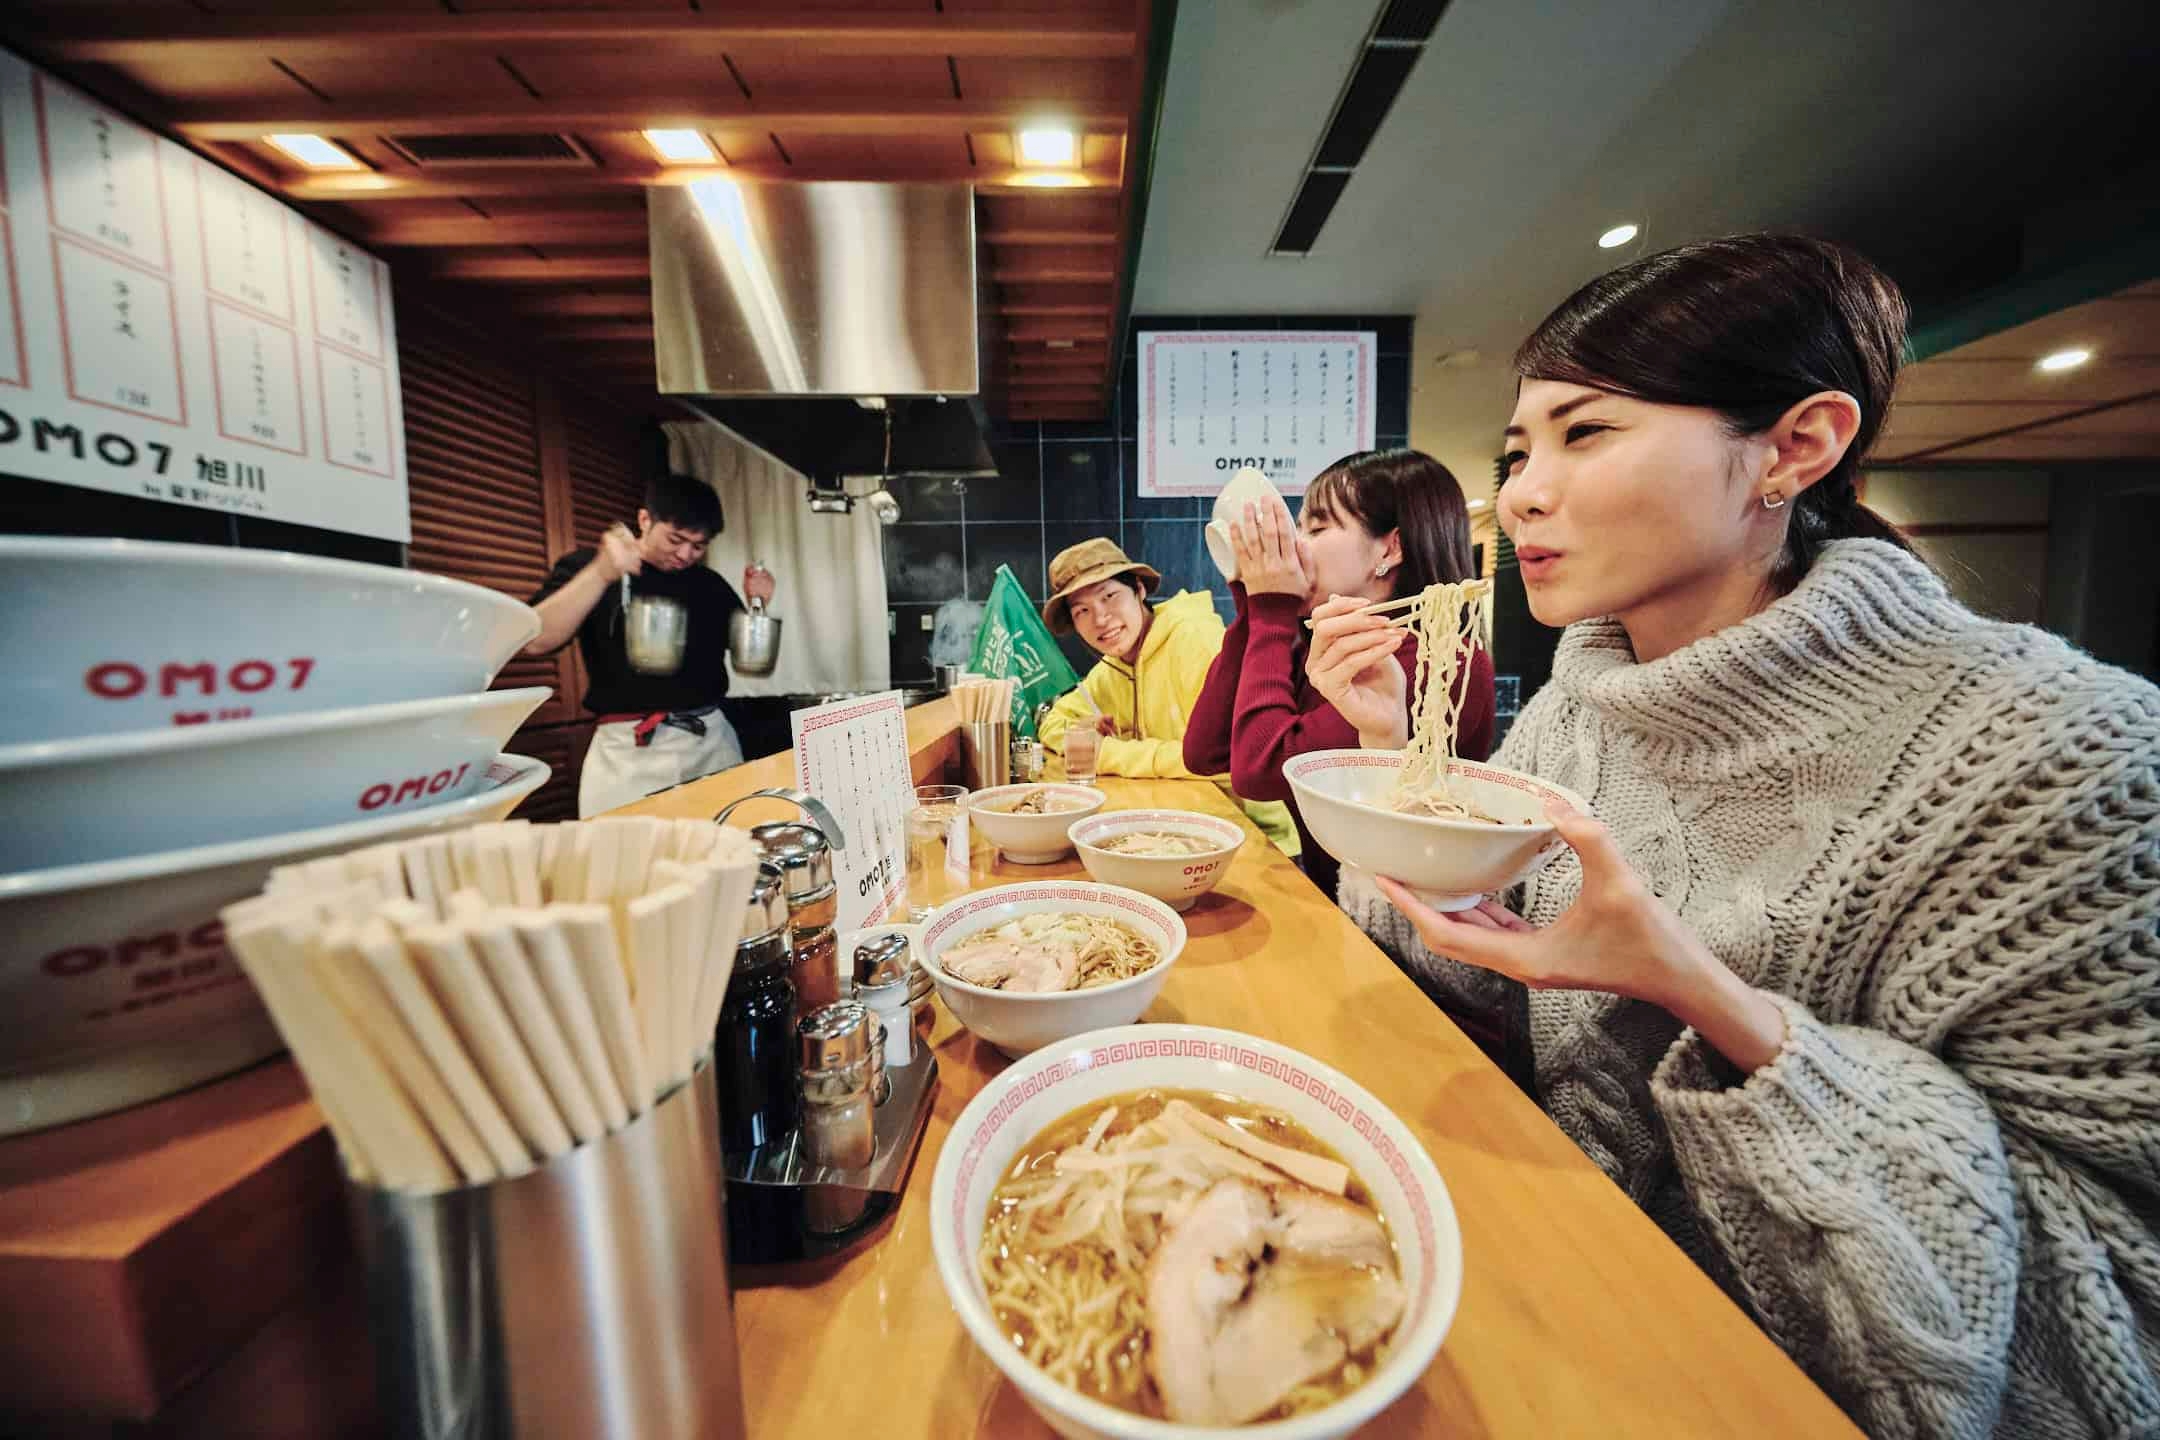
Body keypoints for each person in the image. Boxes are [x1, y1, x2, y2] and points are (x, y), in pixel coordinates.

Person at [1315, 234, 2160, 1438]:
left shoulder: (2066, 753)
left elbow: (2116, 1335)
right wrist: (1393, 765)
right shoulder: (1579, 704)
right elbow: (1482, 971)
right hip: (1548, 1301)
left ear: (1796, 446)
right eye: (1518, 452)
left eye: (1585, 433)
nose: (1524, 493)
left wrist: (1710, 1000)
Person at [1184, 449, 1494, 899]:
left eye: (1316, 528)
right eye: (1298, 528)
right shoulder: (1327, 648)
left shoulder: (1441, 661)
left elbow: (1260, 773)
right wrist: (1252, 607)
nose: (1296, 545)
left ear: (1389, 548)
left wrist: (1271, 607)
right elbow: (1204, 752)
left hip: (1407, 921)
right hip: (1332, 902)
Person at [526, 472, 775, 817]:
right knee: (627, 848)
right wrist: (600, 574)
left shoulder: (709, 584)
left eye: (699, 546)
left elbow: (749, 660)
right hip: (629, 750)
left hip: (711, 741)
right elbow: (535, 641)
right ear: (645, 520)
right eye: (675, 539)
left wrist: (758, 603)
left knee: (729, 839)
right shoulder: (588, 567)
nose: (685, 554)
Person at [1035, 539, 1297, 852]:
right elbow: (1053, 723)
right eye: (1082, 610)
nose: (1101, 619)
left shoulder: (1195, 640)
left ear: (1139, 590)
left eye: (1109, 596)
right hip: (1178, 830)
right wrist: (1084, 729)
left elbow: (1230, 759)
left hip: (1256, 837)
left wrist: (1109, 753)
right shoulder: (1113, 667)